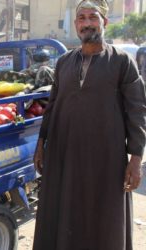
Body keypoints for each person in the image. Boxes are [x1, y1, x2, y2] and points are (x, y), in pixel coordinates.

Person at [32, 1, 146, 249]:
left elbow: (137, 111)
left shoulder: (122, 62)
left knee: (102, 220)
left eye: (92, 17)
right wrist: (41, 142)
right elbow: (52, 105)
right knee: (64, 214)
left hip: (105, 158)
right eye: (81, 18)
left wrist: (136, 159)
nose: (86, 23)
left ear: (104, 22)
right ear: (75, 25)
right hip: (65, 155)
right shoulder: (63, 62)